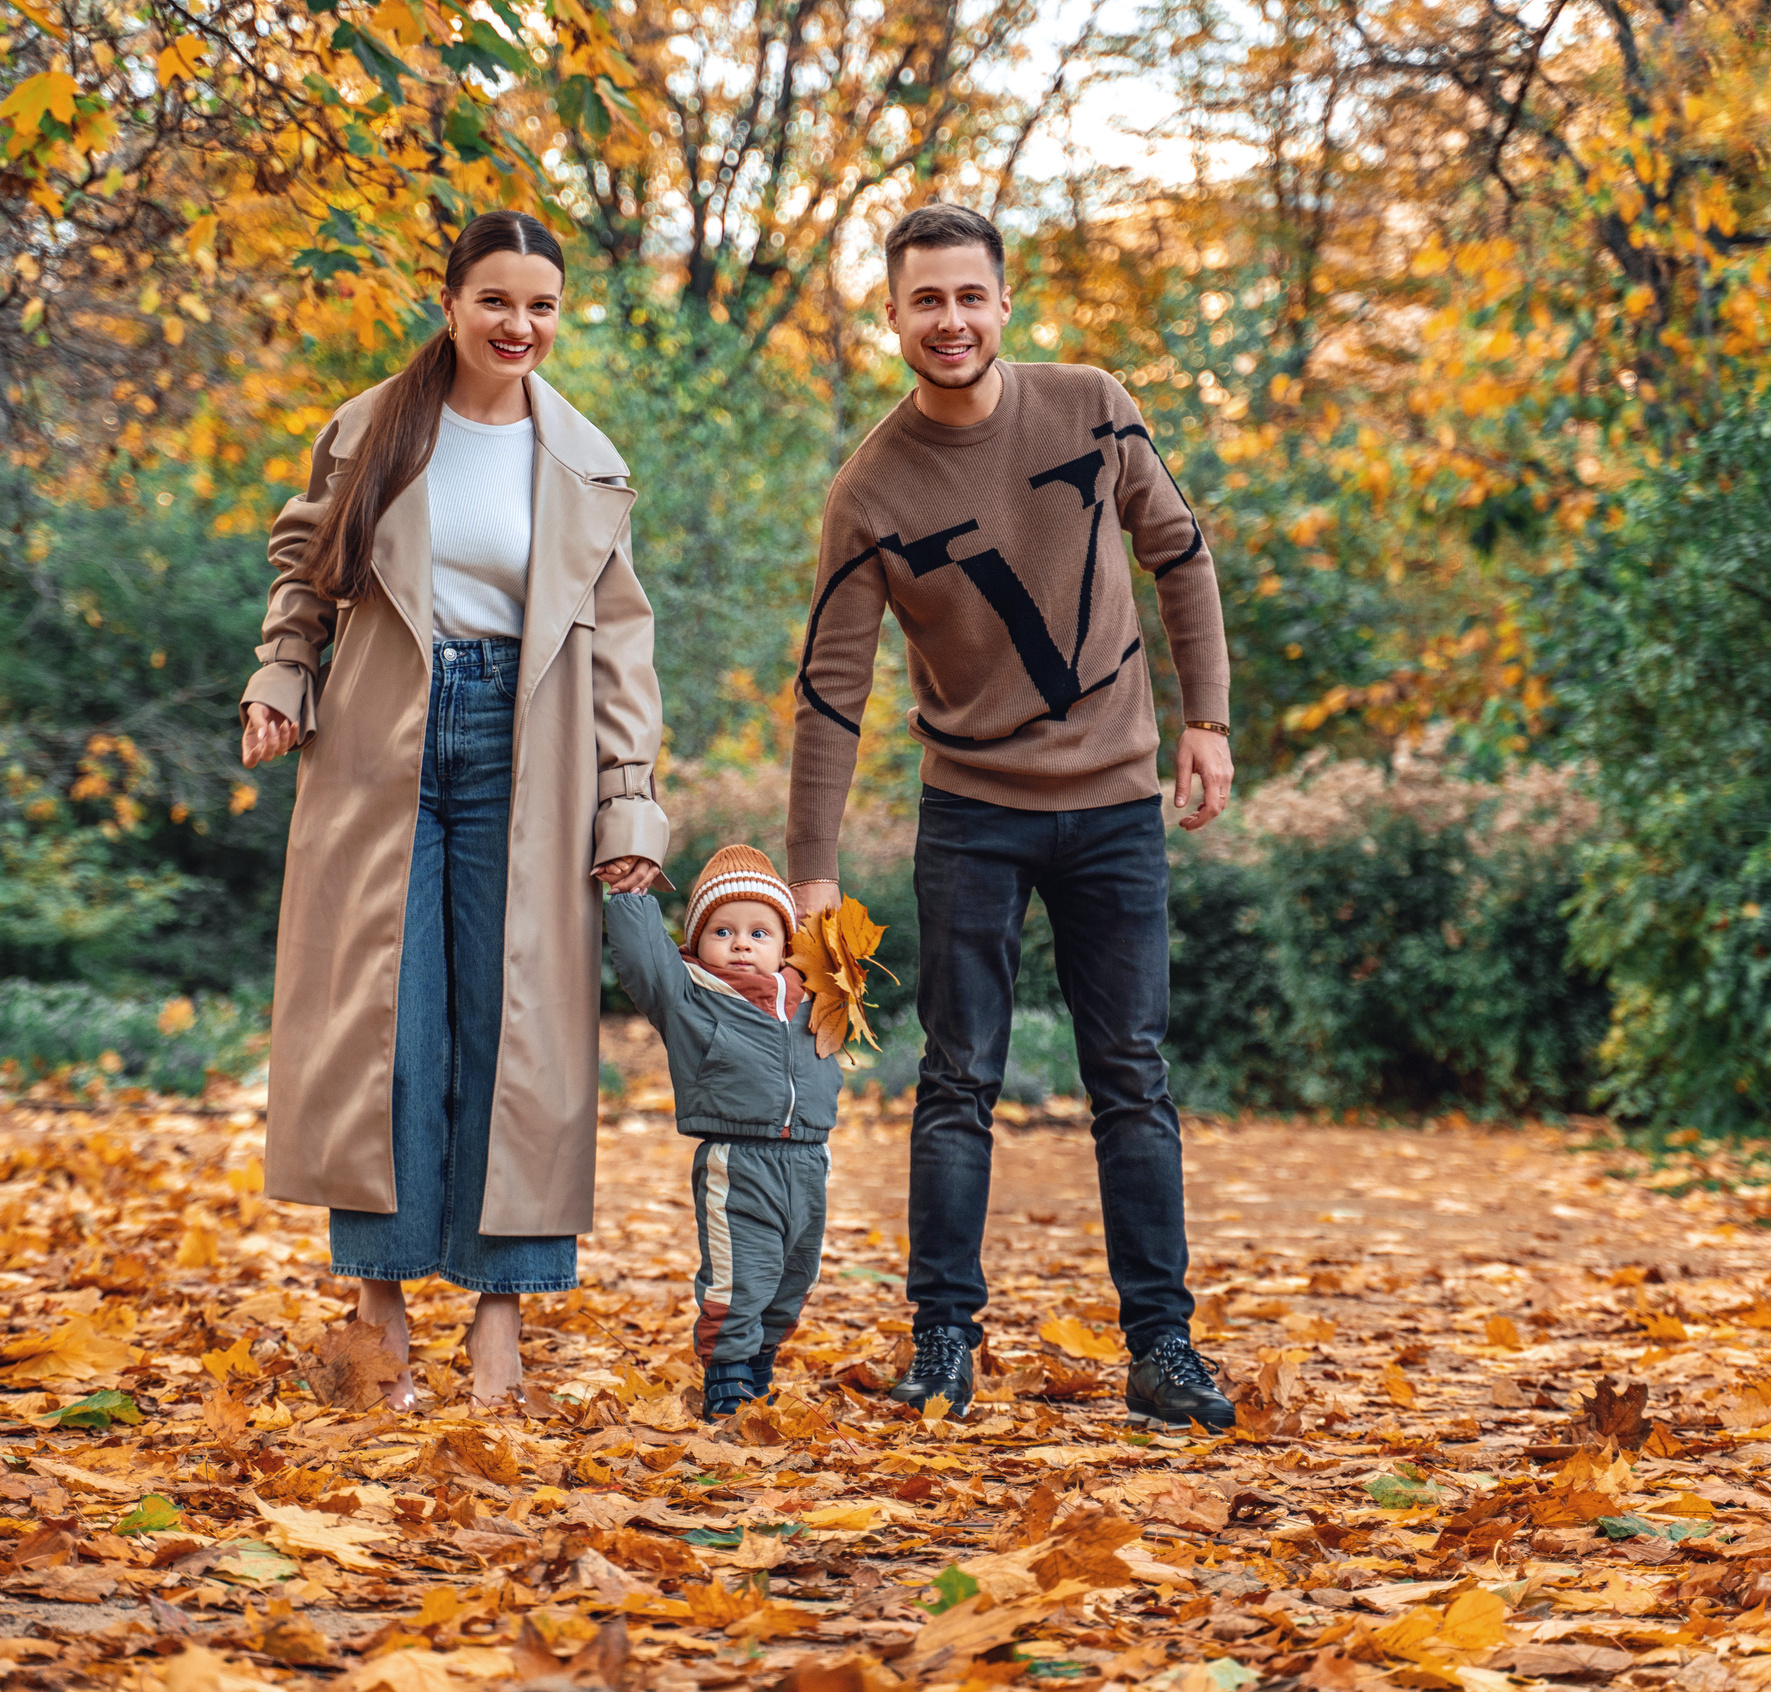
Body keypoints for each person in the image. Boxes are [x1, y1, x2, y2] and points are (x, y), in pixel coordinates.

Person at [782, 203, 1239, 1430]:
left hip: (1114, 805)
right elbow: (832, 685)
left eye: (968, 296)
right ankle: (942, 1340)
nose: (950, 321)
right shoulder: (869, 489)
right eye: (925, 300)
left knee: (1130, 1074)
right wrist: (811, 865)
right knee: (956, 1078)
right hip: (971, 812)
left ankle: (1163, 1347)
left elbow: (1180, 552)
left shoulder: (1093, 405)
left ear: (1001, 302)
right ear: (891, 315)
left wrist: (1205, 719)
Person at [238, 210, 668, 1408]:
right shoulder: (373, 426)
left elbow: (621, 646)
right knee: (384, 1023)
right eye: (495, 301)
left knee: (518, 1029)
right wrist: (280, 672)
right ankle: (378, 1306)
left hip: (532, 750)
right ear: (451, 304)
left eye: (540, 305)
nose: (517, 325)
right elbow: (306, 568)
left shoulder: (585, 459)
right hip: (379, 733)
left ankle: (499, 1318)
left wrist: (630, 801)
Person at [604, 846, 845, 1421]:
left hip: (809, 1161)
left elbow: (841, 952)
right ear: (697, 942)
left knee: (794, 1280)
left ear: (785, 947)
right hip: (738, 1162)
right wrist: (630, 896)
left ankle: (758, 1370)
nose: (741, 944)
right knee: (740, 1278)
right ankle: (728, 1381)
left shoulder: (814, 995)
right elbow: (644, 959)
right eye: (722, 931)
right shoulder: (688, 995)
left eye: (759, 933)